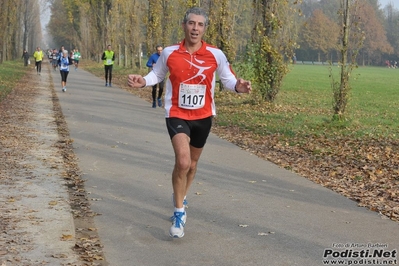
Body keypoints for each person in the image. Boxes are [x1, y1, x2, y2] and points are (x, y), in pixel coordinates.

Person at [127, 7, 252, 238]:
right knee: (183, 162)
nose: (195, 28)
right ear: (184, 26)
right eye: (191, 23)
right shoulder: (170, 52)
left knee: (193, 165)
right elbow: (157, 74)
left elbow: (228, 79)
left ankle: (181, 195)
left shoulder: (216, 54)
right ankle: (178, 212)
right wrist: (143, 81)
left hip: (203, 116)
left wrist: (239, 87)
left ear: (204, 28)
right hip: (177, 113)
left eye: (200, 24)